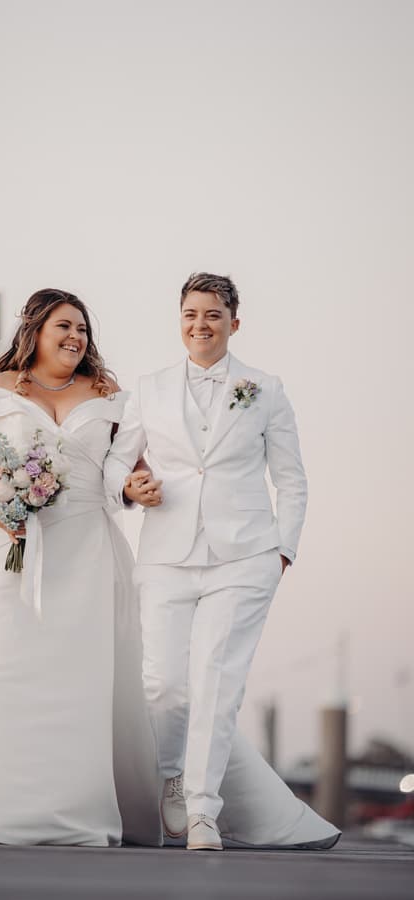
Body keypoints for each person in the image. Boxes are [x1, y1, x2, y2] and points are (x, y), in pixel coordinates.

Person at [0, 286, 339, 850]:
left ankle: (95, 805)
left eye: (82, 329)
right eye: (63, 327)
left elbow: (126, 475)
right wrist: (9, 517)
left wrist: (137, 490)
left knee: (95, 682)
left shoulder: (109, 394)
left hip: (90, 551)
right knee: (1, 672)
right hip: (11, 555)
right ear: (34, 330)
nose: (75, 338)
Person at [103, 272, 339, 851]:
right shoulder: (149, 388)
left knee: (217, 681)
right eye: (190, 314)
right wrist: (132, 488)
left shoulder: (265, 388)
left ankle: (204, 812)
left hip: (245, 556)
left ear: (235, 322)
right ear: (178, 321)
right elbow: (113, 464)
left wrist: (283, 549)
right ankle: (173, 781)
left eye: (212, 314)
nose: (200, 324)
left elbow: (291, 477)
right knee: (162, 683)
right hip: (165, 554)